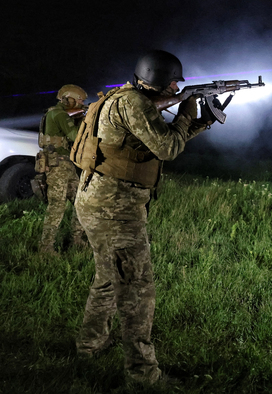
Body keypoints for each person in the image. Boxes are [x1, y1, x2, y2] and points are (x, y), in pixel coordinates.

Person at [73, 50, 212, 385]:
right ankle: (143, 374)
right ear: (159, 79)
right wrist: (186, 109)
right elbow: (166, 148)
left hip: (99, 200)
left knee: (109, 277)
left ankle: (89, 346)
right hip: (114, 207)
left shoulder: (130, 100)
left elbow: (156, 143)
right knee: (137, 288)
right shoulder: (134, 104)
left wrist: (201, 121)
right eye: (175, 80)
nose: (179, 84)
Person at [38, 84, 87, 254]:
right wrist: (85, 121)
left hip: (64, 164)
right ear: (70, 98)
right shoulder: (59, 115)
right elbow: (75, 137)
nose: (81, 103)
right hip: (57, 165)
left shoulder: (54, 112)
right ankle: (46, 248)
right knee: (57, 206)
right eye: (79, 100)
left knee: (80, 201)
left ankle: (76, 239)